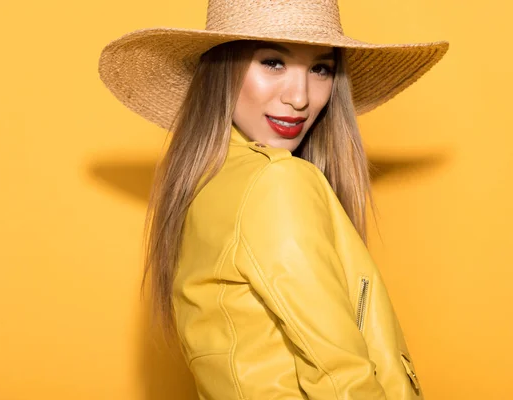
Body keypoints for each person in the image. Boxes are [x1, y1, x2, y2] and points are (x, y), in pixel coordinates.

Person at [98, 0, 449, 398]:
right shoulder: (275, 182)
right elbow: (341, 380)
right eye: (272, 62)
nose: (300, 98)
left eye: (320, 68)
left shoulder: (203, 187)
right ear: (222, 69)